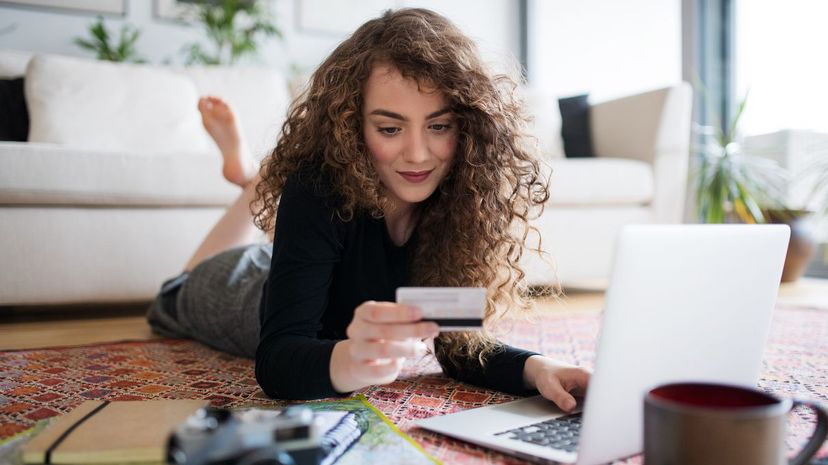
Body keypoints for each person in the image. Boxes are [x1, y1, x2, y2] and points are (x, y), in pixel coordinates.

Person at [147, 8, 590, 412]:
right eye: (390, 127)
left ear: (468, 126)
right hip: (236, 291)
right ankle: (256, 180)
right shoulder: (317, 186)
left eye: (439, 126)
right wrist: (350, 359)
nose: (418, 154)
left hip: (293, 266)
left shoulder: (462, 194)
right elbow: (278, 360)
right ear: (351, 126)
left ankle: (257, 181)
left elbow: (458, 346)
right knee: (178, 287)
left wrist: (537, 368)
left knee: (287, 251)